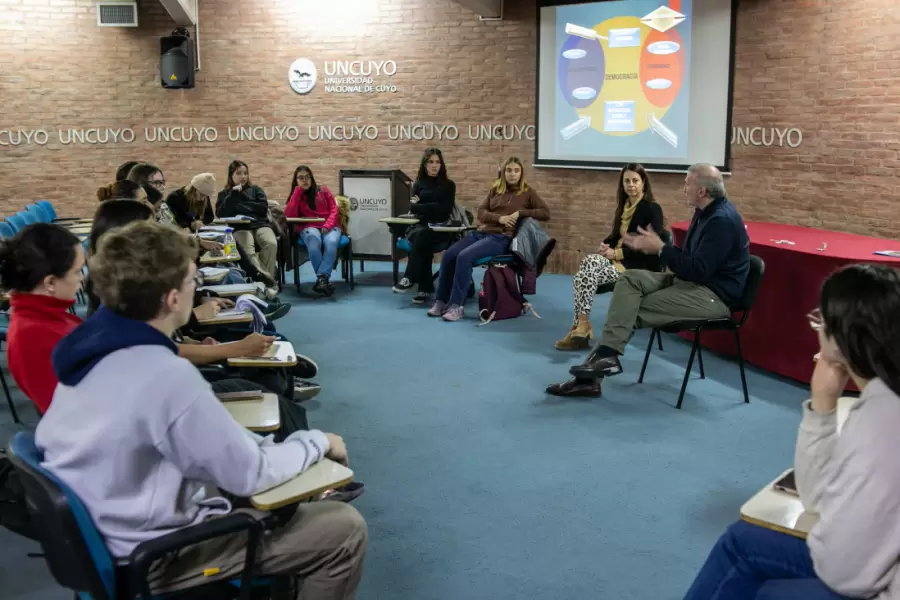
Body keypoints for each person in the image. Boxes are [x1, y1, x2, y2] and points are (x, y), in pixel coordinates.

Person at [36, 221, 367, 596]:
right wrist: (319, 442)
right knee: (343, 528)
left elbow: (218, 455)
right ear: (173, 298)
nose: (197, 289)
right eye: (193, 280)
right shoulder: (162, 374)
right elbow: (251, 475)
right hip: (154, 557)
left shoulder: (89, 353)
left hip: (109, 534)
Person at [683, 263, 900, 600]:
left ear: (843, 339)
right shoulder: (883, 398)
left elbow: (846, 574)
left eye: (821, 321)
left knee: (764, 590)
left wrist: (829, 527)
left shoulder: (880, 423)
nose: (817, 327)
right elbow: (815, 499)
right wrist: (823, 402)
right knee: (741, 541)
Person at [547, 163, 749, 397]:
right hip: (688, 281)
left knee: (629, 307)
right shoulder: (703, 212)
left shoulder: (721, 221)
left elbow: (699, 271)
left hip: (713, 295)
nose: (683, 188)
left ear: (702, 191)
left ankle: (590, 377)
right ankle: (603, 363)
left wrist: (662, 249)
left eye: (687, 183)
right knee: (630, 280)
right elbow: (690, 262)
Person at [556, 163, 665, 351]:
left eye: (635, 181)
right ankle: (581, 327)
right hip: (616, 258)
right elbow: (616, 236)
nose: (631, 185)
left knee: (582, 277)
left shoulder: (652, 208)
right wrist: (606, 245)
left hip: (637, 265)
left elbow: (650, 243)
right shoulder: (624, 207)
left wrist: (618, 253)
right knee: (589, 261)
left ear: (643, 183)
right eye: (627, 181)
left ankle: (579, 328)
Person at [428, 156, 550, 322]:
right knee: (450, 254)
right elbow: (481, 212)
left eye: (516, 171)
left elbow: (545, 213)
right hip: (482, 232)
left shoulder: (527, 192)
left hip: (501, 238)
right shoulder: (495, 189)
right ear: (503, 172)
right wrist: (499, 218)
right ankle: (441, 301)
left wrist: (521, 213)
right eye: (509, 170)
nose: (512, 174)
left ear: (521, 173)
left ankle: (457, 306)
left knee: (464, 257)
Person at [1, 224, 84, 415]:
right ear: (51, 282)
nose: (82, 278)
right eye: (77, 271)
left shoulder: (48, 316)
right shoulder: (31, 336)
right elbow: (69, 413)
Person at [392, 148, 457, 304]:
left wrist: (421, 204)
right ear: (425, 164)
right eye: (431, 162)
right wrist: (433, 205)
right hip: (419, 228)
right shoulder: (419, 184)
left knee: (424, 237)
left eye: (437, 162)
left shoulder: (449, 185)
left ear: (441, 165)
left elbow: (445, 210)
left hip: (440, 228)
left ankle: (410, 277)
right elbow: (412, 208)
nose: (434, 165)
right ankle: (424, 288)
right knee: (423, 236)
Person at [216, 160, 278, 286]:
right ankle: (267, 283)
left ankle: (264, 283)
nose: (243, 176)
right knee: (248, 252)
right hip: (240, 228)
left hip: (261, 224)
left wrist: (239, 206)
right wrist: (233, 196)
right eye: (239, 173)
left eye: (245, 173)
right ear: (231, 175)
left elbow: (262, 208)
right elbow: (222, 213)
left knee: (271, 244)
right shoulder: (225, 194)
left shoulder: (256, 190)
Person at [285, 165, 341, 297]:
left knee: (331, 242)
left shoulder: (323, 190)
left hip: (330, 225)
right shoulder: (296, 194)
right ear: (296, 180)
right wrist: (297, 192)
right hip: (308, 227)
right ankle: (323, 279)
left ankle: (321, 279)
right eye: (301, 178)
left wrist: (327, 225)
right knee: (313, 241)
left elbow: (334, 209)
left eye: (307, 177)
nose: (305, 180)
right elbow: (290, 215)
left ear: (311, 178)